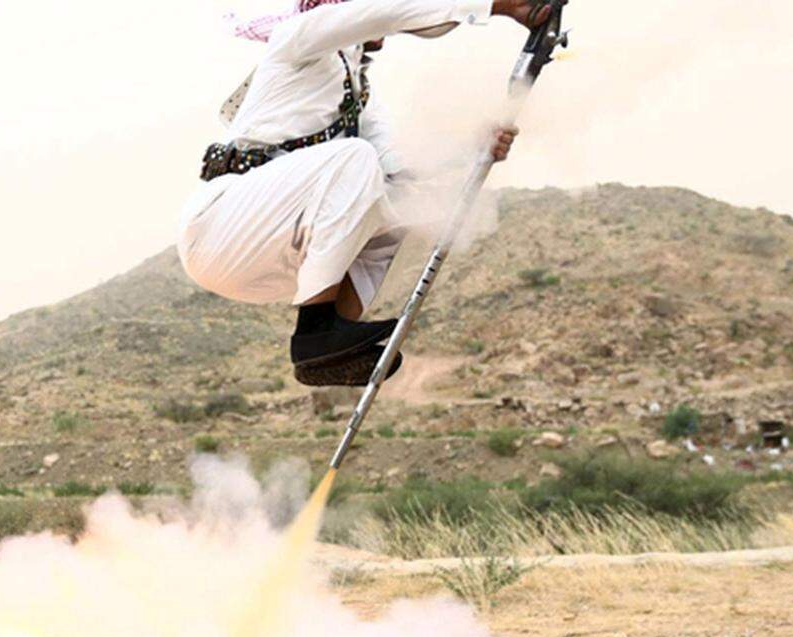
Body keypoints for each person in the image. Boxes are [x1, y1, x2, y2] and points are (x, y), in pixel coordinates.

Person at [177, 0, 554, 386]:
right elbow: (387, 12)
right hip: (218, 229)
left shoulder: (356, 95)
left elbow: (400, 166)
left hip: (266, 263)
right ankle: (316, 331)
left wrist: (476, 147)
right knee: (355, 158)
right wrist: (499, 6)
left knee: (404, 204)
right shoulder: (298, 37)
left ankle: (330, 346)